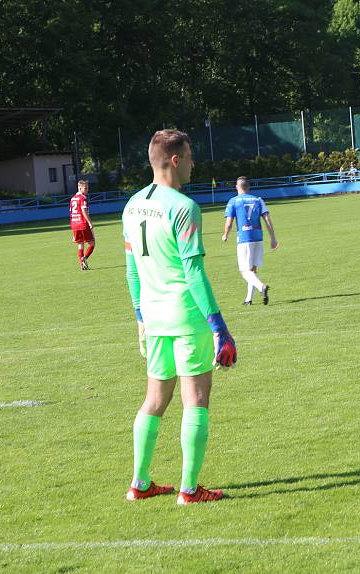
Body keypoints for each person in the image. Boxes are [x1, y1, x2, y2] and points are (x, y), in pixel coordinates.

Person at [122, 129, 236, 505]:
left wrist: (140, 314)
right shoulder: (184, 207)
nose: (193, 163)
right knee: (196, 400)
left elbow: (132, 270)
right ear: (174, 160)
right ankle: (189, 489)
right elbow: (193, 273)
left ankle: (139, 483)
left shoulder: (132, 205)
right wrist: (219, 327)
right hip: (187, 318)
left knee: (154, 400)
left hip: (153, 318)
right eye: (188, 156)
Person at [222, 176, 279, 305]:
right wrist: (273, 238)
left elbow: (229, 222)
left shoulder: (233, 201)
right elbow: (267, 219)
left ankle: (261, 287)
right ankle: (249, 299)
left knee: (244, 271)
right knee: (252, 270)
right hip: (258, 237)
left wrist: (225, 234)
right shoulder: (258, 200)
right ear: (248, 187)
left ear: (237, 187)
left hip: (244, 238)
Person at [69, 179, 95, 270]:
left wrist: (72, 228)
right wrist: (90, 223)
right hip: (83, 223)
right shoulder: (82, 198)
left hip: (74, 224)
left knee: (80, 245)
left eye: (87, 188)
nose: (87, 190)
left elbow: (71, 213)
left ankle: (82, 264)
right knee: (92, 243)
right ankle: (84, 258)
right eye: (85, 188)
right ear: (79, 188)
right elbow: (84, 211)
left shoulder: (72, 199)